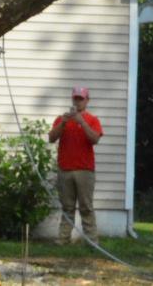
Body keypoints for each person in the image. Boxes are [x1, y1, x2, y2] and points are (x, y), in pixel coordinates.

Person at [48, 86, 103, 244]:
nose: (77, 102)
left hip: (85, 170)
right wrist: (63, 124)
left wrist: (82, 122)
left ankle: (91, 240)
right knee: (67, 207)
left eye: (81, 99)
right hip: (65, 169)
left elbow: (95, 139)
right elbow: (51, 138)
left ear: (87, 101)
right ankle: (63, 239)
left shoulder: (92, 120)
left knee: (86, 207)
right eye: (75, 98)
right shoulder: (61, 119)